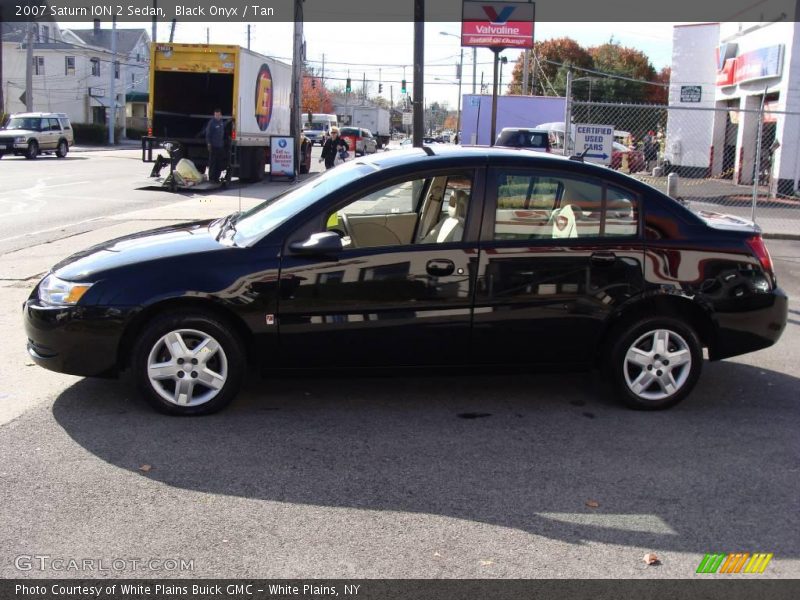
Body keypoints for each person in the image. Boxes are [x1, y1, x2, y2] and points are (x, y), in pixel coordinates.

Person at [205, 108, 227, 183]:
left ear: (220, 115)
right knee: (213, 163)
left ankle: (217, 178)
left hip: (220, 146)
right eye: (215, 115)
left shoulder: (221, 122)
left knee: (219, 163)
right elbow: (208, 134)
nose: (217, 116)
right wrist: (208, 143)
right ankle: (211, 178)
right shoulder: (211, 123)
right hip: (213, 146)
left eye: (218, 115)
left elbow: (224, 127)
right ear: (214, 115)